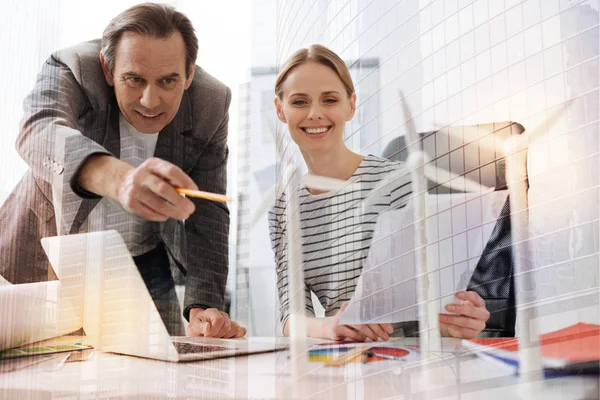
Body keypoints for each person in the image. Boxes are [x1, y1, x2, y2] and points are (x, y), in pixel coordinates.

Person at [0, 3, 245, 339]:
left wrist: (204, 304)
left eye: (168, 81)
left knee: (162, 376)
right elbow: (38, 130)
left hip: (141, 261)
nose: (150, 100)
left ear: (188, 75)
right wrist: (120, 179)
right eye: (133, 79)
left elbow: (209, 208)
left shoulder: (211, 103)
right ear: (107, 68)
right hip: (47, 249)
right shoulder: (73, 68)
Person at [270, 44, 490, 341]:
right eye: (299, 102)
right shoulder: (284, 208)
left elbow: (429, 296)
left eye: (330, 99)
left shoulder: (395, 182)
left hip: (407, 362)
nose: (315, 113)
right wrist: (331, 325)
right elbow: (291, 316)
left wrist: (456, 319)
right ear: (280, 110)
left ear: (350, 105)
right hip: (343, 361)